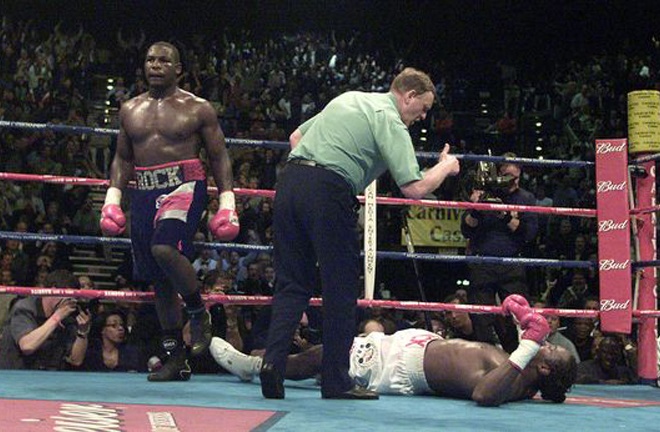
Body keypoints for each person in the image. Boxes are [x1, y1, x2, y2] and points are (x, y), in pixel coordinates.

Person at [261, 67, 460, 400]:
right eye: (422, 108)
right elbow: (414, 188)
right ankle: (336, 381)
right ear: (408, 95)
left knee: (292, 283)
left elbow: (297, 138)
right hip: (329, 190)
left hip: (290, 182)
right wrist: (446, 165)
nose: (422, 117)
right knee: (340, 287)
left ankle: (273, 365)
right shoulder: (391, 120)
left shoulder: (351, 98)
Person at [100, 41, 239, 382]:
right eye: (150, 59)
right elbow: (123, 158)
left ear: (178, 68)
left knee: (164, 248)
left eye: (164, 60)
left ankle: (197, 311)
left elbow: (219, 155)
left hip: (184, 184)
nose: (155, 65)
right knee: (158, 279)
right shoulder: (129, 109)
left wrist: (227, 202)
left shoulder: (198, 108)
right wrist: (113, 198)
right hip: (144, 191)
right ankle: (176, 357)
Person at [212, 295, 576, 406]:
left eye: (549, 352)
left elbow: (483, 394)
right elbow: (517, 362)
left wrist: (528, 342)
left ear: (544, 370)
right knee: (322, 357)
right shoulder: (518, 377)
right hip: (410, 346)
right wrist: (520, 323)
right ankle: (261, 361)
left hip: (400, 367)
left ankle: (255, 367)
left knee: (321, 356)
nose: (545, 345)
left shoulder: (509, 381)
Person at [460, 153, 538, 352]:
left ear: (520, 174)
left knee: (519, 317)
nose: (512, 181)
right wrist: (476, 208)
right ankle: (484, 363)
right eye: (507, 176)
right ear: (500, 174)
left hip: (511, 263)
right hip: (482, 262)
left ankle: (519, 360)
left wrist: (504, 216)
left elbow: (529, 234)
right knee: (481, 318)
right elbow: (466, 229)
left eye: (516, 176)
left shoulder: (525, 198)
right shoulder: (484, 193)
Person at [0, 269, 92, 370]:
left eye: (74, 298)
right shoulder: (25, 307)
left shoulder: (67, 316)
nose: (70, 302)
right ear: (53, 290)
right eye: (68, 297)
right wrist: (56, 318)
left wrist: (82, 333)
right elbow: (27, 346)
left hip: (49, 377)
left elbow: (76, 360)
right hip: (16, 375)